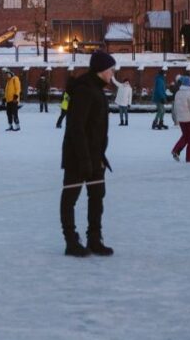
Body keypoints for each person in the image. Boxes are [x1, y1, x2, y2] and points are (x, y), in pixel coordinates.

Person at [60, 50, 116, 257]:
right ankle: (71, 241)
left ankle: (94, 238)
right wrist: (84, 160)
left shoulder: (97, 89)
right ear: (101, 70)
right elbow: (77, 128)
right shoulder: (85, 90)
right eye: (111, 69)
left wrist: (98, 156)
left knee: (97, 197)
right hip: (78, 156)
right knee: (70, 198)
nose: (113, 73)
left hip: (96, 157)